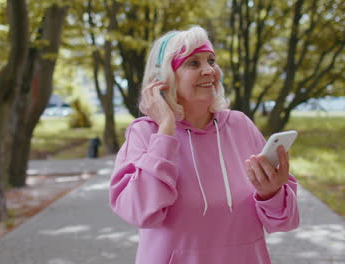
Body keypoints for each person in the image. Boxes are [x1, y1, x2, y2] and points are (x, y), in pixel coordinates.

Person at [109, 26, 299, 264]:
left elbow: (283, 221)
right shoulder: (145, 132)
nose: (209, 70)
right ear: (164, 79)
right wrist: (165, 130)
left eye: (211, 60)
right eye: (193, 63)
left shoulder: (240, 125)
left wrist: (271, 192)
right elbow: (139, 211)